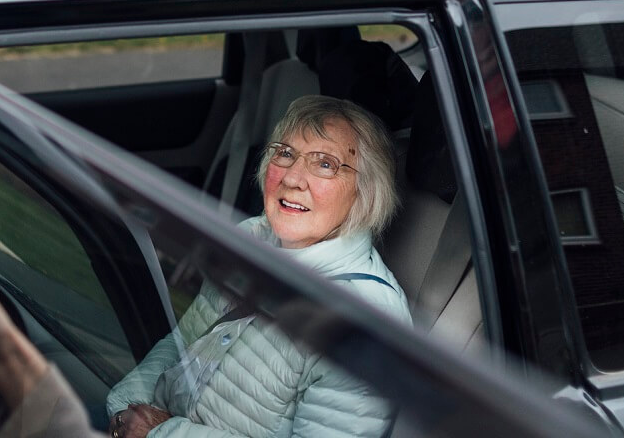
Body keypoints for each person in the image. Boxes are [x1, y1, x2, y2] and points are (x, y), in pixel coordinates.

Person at [103, 95, 410, 438]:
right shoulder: (249, 239)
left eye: (324, 164)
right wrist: (122, 411)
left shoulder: (362, 322)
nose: (292, 178)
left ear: (364, 192)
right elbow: (182, 348)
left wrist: (160, 434)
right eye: (286, 153)